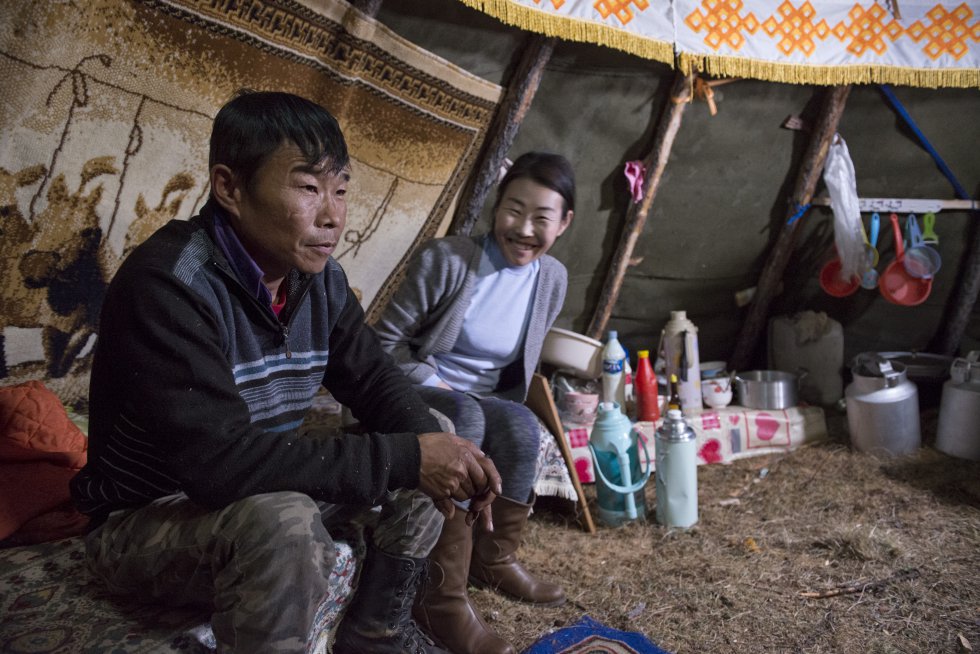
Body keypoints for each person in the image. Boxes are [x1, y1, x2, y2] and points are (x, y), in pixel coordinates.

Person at [68, 90, 501, 654]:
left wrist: (437, 450)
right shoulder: (169, 285)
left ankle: (376, 633)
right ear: (229, 187)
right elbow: (218, 465)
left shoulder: (317, 279)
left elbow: (372, 379)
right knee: (286, 518)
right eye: (308, 187)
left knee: (429, 432)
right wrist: (409, 457)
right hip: (147, 520)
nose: (333, 215)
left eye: (340, 189)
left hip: (248, 489)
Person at [373, 151, 575, 654]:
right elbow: (384, 346)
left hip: (484, 398)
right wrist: (438, 383)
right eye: (513, 209)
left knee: (523, 425)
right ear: (495, 206)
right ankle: (440, 594)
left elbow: (516, 370)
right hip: (415, 385)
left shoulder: (552, 279)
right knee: (464, 415)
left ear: (564, 224)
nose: (524, 228)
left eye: (541, 218)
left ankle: (493, 558)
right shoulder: (447, 260)